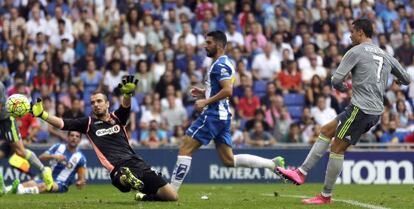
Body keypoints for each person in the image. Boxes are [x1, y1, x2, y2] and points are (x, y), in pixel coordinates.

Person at [276, 18, 411, 204]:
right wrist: (399, 82)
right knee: (326, 130)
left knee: (337, 148)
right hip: (373, 110)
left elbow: (335, 80)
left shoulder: (355, 51)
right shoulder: (386, 54)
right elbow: (406, 78)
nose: (349, 35)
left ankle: (325, 195)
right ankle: (301, 172)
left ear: (361, 33)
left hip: (361, 109)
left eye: (352, 32)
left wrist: (343, 86)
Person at [28, 76, 178, 201]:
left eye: (99, 101)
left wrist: (127, 95)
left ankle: (143, 196)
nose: (96, 105)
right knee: (123, 183)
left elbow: (125, 107)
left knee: (172, 196)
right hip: (117, 167)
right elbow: (62, 123)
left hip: (136, 161)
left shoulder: (117, 117)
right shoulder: (88, 123)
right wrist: (43, 115)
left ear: (107, 104)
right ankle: (128, 179)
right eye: (92, 102)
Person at [170, 31, 285, 192]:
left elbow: (228, 90)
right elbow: (222, 88)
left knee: (185, 148)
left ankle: (171, 191)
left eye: (208, 43)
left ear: (218, 45)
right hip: (222, 116)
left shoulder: (220, 65)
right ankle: (271, 164)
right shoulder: (224, 63)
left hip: (213, 115)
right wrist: (204, 91)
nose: (205, 45)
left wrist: (205, 101)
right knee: (229, 160)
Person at [0, 81, 54, 193]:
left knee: (20, 151)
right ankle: (2, 187)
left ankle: (44, 170)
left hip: (6, 119)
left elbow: (0, 107)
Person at [0, 131, 86, 195]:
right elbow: (41, 157)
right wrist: (54, 156)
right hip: (47, 178)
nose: (74, 138)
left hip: (61, 184)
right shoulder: (58, 147)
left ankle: (19, 191)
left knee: (45, 186)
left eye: (77, 136)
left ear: (79, 140)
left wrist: (80, 183)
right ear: (68, 137)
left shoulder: (80, 158)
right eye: (72, 135)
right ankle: (6, 190)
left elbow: (81, 179)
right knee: (30, 183)